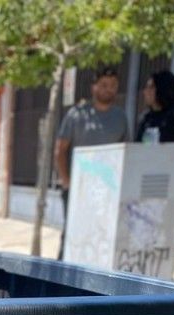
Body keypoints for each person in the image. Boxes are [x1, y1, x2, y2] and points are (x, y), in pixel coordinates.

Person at [54, 67, 129, 258]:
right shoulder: (77, 114)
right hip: (78, 189)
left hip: (107, 191)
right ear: (94, 88)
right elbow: (60, 150)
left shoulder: (120, 117)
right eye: (103, 85)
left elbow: (124, 152)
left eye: (113, 86)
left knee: (102, 238)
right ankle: (63, 282)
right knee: (73, 236)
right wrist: (66, 181)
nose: (108, 89)